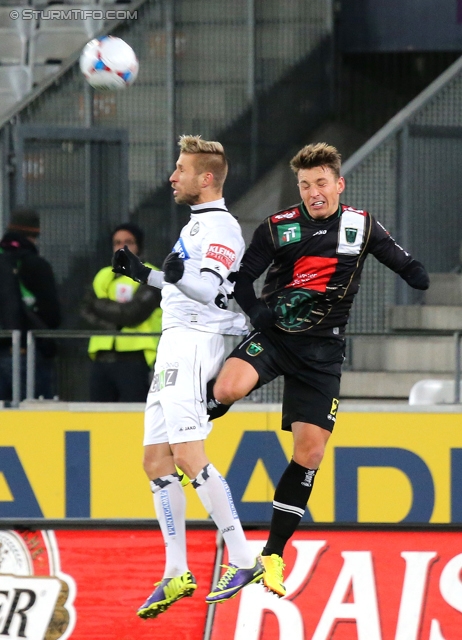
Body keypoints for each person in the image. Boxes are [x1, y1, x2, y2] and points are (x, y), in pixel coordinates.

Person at [207, 142, 430, 597]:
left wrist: (415, 274)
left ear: (339, 184)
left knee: (309, 454)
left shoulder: (361, 226)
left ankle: (271, 555)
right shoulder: (278, 227)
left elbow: (405, 264)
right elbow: (242, 280)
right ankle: (204, 413)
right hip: (275, 337)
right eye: (306, 185)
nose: (314, 192)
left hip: (322, 354)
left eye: (321, 183)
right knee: (227, 388)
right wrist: (257, 313)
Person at [112, 135, 264, 619]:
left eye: (180, 169)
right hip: (173, 340)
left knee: (187, 453)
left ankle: (243, 556)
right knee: (155, 460)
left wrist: (174, 277)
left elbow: (207, 288)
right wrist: (147, 275)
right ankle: (176, 570)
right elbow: (185, 281)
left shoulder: (221, 228)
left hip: (195, 343)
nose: (172, 176)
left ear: (206, 178)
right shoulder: (197, 225)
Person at [81, 222, 162, 402]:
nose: (122, 247)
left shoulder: (152, 275)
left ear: (139, 246)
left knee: (132, 417)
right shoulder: (102, 275)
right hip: (101, 356)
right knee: (98, 417)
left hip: (136, 357)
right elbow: (85, 312)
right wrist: (115, 323)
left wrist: (100, 304)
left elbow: (132, 314)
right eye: (117, 243)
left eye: (128, 242)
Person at [0, 208, 61, 403]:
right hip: (28, 353)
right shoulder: (36, 265)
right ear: (35, 234)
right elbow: (52, 315)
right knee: (35, 417)